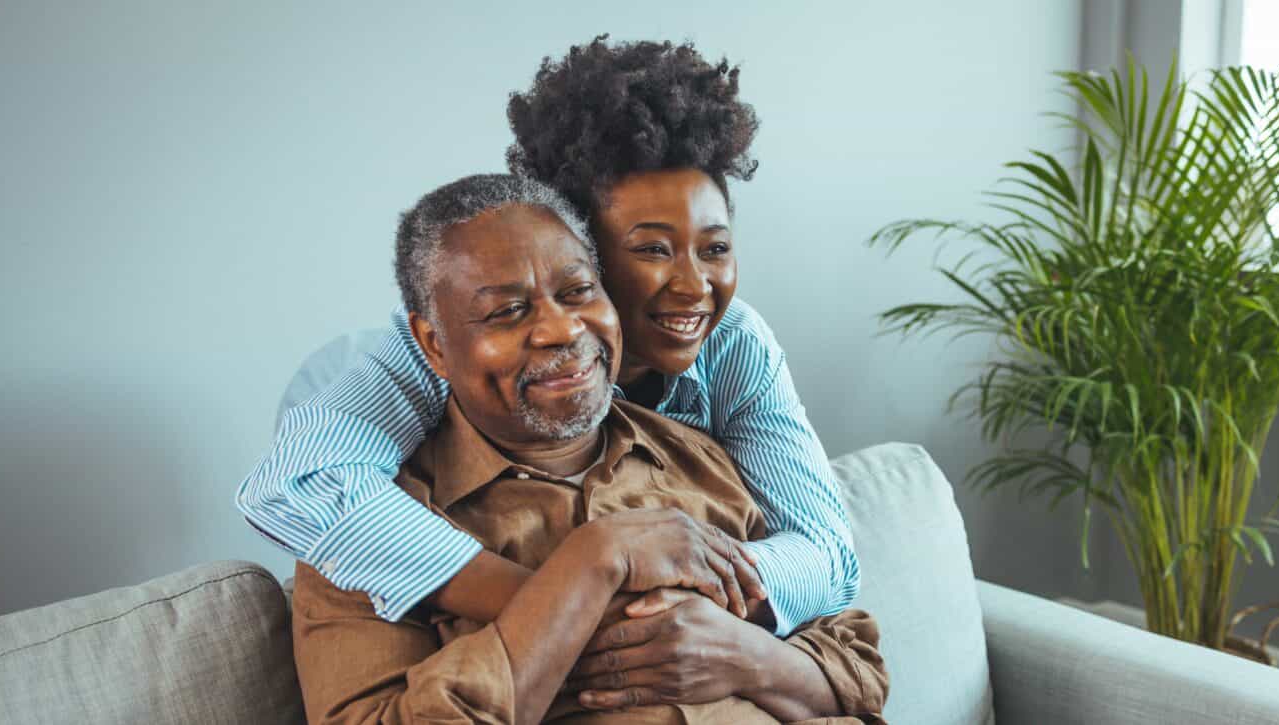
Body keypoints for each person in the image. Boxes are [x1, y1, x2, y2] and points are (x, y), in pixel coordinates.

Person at [238, 36, 857, 640]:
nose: (695, 286)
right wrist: (566, 608)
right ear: (576, 249)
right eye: (652, 250)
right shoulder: (444, 350)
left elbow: (829, 554)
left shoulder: (735, 342)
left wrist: (689, 612)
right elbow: (297, 481)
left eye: (715, 248)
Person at [290, 173, 887, 724]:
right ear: (433, 343)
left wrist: (741, 655)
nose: (562, 330)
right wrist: (592, 564)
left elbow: (858, 672)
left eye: (578, 291)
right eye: (508, 311)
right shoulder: (360, 535)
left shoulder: (696, 453)